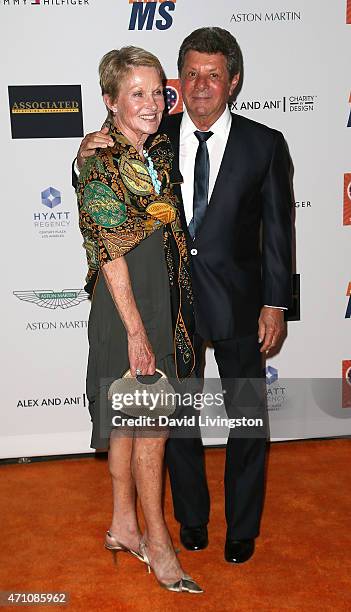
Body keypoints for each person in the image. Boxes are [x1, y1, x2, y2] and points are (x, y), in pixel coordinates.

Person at [74, 28, 292, 565]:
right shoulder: (154, 131)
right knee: (179, 421)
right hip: (171, 304)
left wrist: (276, 302)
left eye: (213, 74)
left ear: (233, 82)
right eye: (190, 73)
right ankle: (191, 520)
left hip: (242, 305)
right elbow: (102, 178)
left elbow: (279, 229)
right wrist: (82, 150)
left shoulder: (264, 143)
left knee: (246, 421)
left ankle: (242, 528)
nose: (200, 85)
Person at [76, 46, 202, 594]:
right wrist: (136, 333)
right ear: (110, 100)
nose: (152, 103)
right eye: (137, 93)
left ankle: (123, 525)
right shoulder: (100, 162)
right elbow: (110, 252)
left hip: (162, 301)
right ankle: (159, 542)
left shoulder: (157, 150)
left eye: (156, 91)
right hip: (129, 306)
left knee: (131, 425)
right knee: (151, 431)